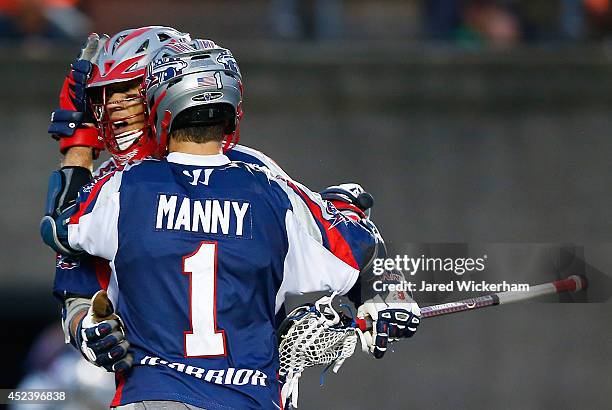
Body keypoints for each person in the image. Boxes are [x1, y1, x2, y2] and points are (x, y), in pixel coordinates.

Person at [43, 41, 420, 409]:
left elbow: (60, 228)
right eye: (107, 97)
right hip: (243, 392)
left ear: (157, 93)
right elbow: (356, 248)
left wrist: (76, 144)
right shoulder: (262, 186)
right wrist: (86, 326)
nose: (114, 110)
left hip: (157, 393)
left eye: (127, 93)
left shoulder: (118, 188)